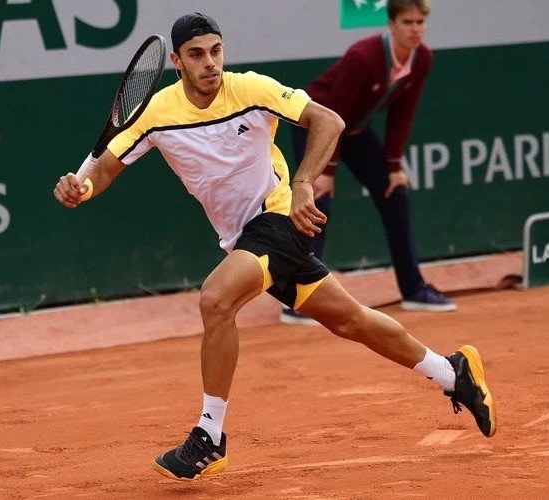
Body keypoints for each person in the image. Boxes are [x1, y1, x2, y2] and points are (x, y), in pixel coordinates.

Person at [52, 12, 496, 482]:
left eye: (216, 51)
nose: (211, 63)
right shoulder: (156, 112)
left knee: (216, 299)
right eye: (197, 55)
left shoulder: (250, 89)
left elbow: (328, 119)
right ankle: (453, 373)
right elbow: (102, 170)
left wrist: (304, 182)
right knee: (351, 319)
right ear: (178, 63)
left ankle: (209, 437)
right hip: (241, 237)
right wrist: (81, 190)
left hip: (280, 217)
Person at [280, 0, 455, 327]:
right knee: (318, 201)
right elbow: (334, 112)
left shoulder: (422, 59)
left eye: (420, 22)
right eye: (407, 22)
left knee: (396, 194)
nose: (415, 29)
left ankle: (414, 289)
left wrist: (392, 165)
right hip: (316, 123)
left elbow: (404, 112)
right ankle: (300, 297)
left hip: (355, 129)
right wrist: (327, 171)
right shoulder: (363, 56)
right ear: (391, 24)